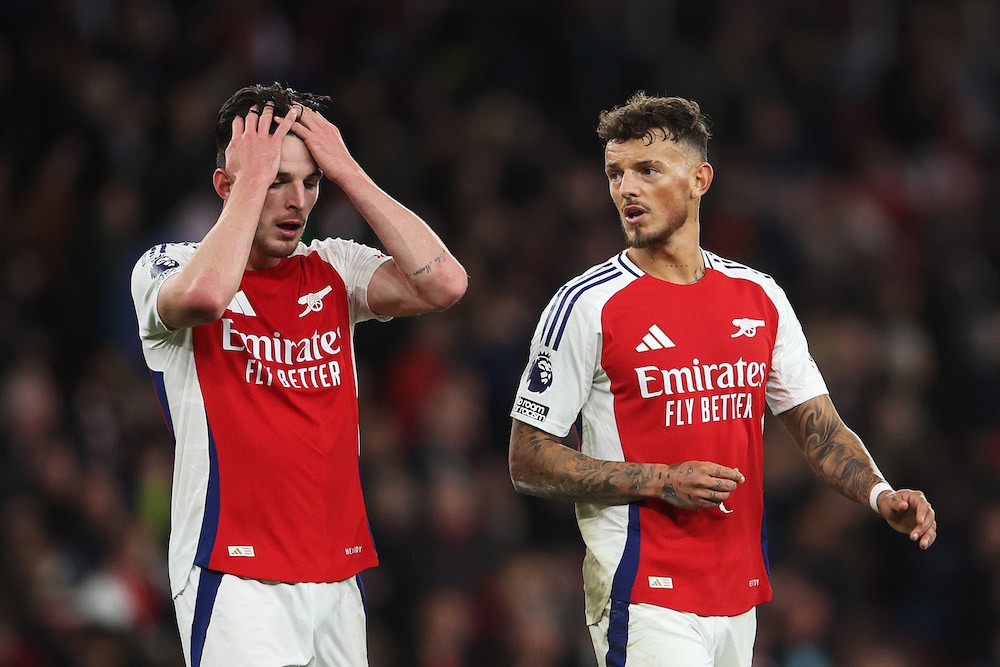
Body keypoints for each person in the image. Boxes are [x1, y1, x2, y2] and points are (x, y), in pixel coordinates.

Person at [507, 92, 936, 667]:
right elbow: (528, 459)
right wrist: (660, 479)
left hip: (738, 593)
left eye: (646, 170)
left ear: (699, 179)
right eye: (614, 174)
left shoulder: (760, 297)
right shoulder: (586, 306)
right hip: (642, 588)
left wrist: (881, 494)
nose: (625, 189)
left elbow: (820, 430)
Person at [131, 83, 467, 666]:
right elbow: (209, 296)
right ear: (225, 186)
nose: (296, 201)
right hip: (234, 574)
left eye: (309, 182)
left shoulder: (333, 266)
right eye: (275, 180)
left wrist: (347, 171)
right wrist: (250, 179)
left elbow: (445, 283)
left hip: (337, 575)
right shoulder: (168, 266)